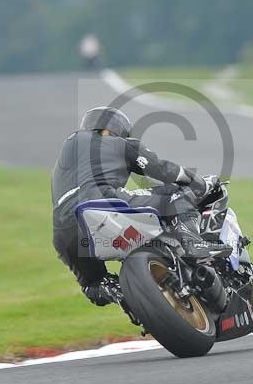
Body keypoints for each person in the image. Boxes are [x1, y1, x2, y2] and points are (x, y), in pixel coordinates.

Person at [51, 106, 229, 306]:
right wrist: (201, 184)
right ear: (119, 129)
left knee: (95, 284)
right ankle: (191, 242)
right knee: (176, 194)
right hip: (103, 204)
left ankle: (124, 299)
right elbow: (164, 170)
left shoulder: (65, 157)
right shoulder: (121, 144)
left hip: (64, 233)